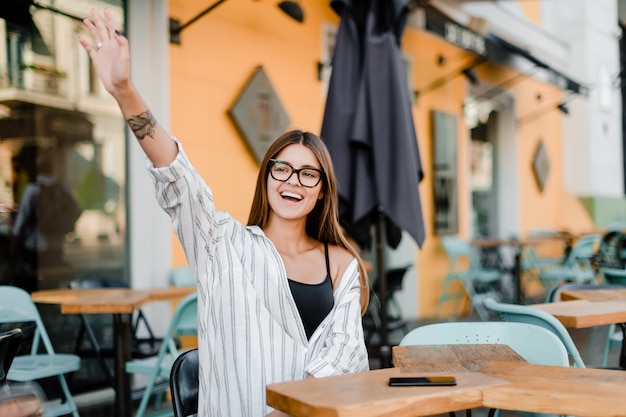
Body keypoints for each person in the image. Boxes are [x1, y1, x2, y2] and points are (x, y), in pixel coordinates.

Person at [79, 9, 370, 417]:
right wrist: (125, 90)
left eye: (308, 174)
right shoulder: (221, 243)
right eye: (282, 168)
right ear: (266, 177)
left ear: (322, 192)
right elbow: (179, 180)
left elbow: (343, 356)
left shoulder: (341, 264)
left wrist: (285, 413)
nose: (293, 181)